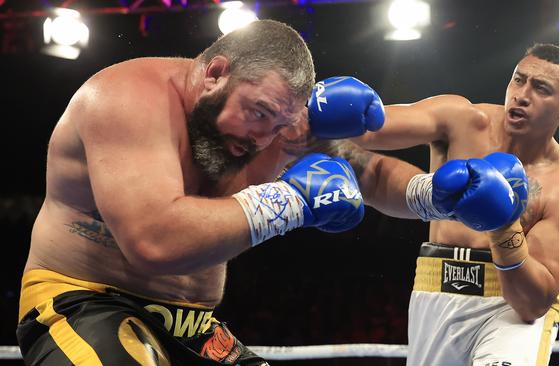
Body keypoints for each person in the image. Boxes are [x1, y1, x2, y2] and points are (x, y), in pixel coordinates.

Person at [16, 19, 401, 365]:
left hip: (197, 328)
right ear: (216, 73)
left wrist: (429, 194)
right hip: (85, 302)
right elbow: (154, 241)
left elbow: (373, 169)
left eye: (280, 125)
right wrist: (290, 201)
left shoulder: (276, 118)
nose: (263, 138)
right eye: (259, 112)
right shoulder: (128, 95)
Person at [351, 43, 559, 365]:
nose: (522, 94)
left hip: (509, 309)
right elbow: (368, 129)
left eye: (541, 88)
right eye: (518, 80)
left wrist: (503, 226)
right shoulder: (460, 120)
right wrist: (326, 112)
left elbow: (532, 303)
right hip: (435, 290)